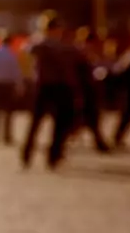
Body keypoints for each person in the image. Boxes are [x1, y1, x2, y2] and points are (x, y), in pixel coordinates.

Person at [19, 15, 81, 170]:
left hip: (52, 87)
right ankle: (42, 154)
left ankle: (45, 154)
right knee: (40, 123)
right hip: (49, 86)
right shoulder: (46, 44)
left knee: (48, 123)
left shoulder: (52, 44)